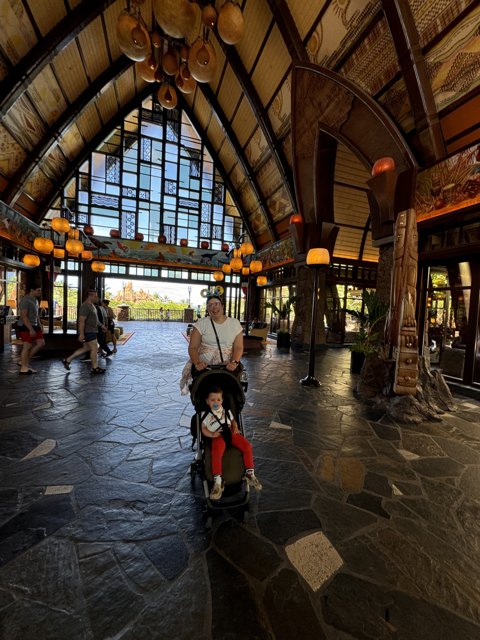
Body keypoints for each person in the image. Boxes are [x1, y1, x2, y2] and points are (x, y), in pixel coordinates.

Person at [202, 385, 262, 500]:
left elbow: (233, 420)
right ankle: (218, 481)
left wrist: (235, 427)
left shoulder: (226, 410)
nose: (216, 402)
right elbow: (203, 428)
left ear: (222, 401)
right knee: (216, 452)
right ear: (207, 401)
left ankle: (250, 473)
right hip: (218, 436)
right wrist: (211, 434)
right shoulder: (207, 415)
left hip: (230, 433)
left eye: (218, 400)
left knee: (247, 447)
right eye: (212, 400)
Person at [179, 293, 244, 394]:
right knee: (204, 392)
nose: (214, 307)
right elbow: (193, 347)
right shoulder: (201, 323)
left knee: (228, 391)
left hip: (226, 365)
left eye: (216, 303)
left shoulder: (234, 323)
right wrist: (197, 363)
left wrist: (234, 362)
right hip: (205, 366)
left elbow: (239, 347)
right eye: (210, 305)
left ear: (222, 306)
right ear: (207, 309)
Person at [62, 289, 106, 374]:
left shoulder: (92, 306)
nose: (97, 297)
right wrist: (81, 334)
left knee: (86, 348)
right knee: (94, 348)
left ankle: (67, 360)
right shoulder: (85, 306)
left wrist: (101, 325)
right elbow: (81, 320)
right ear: (90, 296)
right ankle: (95, 367)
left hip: (92, 330)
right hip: (88, 331)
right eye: (95, 296)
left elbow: (95, 320)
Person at [17, 285, 45, 374]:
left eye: (40, 290)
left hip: (35, 325)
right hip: (26, 326)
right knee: (27, 346)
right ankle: (24, 368)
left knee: (41, 343)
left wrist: (40, 325)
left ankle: (23, 361)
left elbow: (36, 314)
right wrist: (31, 329)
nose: (40, 292)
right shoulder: (25, 300)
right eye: (38, 290)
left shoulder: (35, 300)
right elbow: (24, 317)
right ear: (32, 290)